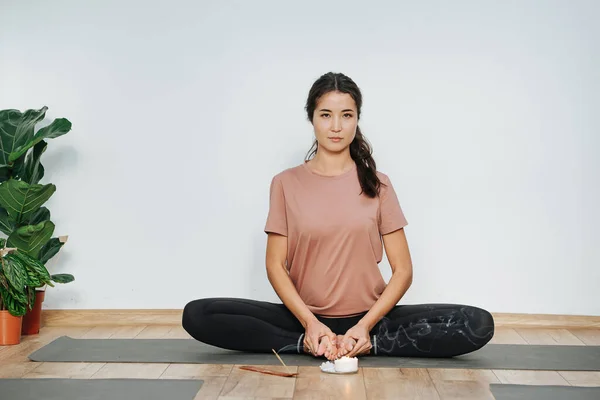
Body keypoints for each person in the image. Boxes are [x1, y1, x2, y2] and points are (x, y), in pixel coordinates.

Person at [182, 72, 494, 360]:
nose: (335, 126)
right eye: (326, 115)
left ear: (357, 120)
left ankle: (363, 343)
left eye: (346, 116)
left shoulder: (379, 184)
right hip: (303, 318)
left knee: (478, 323)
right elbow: (275, 265)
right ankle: (310, 340)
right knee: (199, 314)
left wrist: (366, 327)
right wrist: (310, 322)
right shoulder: (285, 183)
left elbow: (403, 271)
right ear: (312, 119)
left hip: (369, 318)